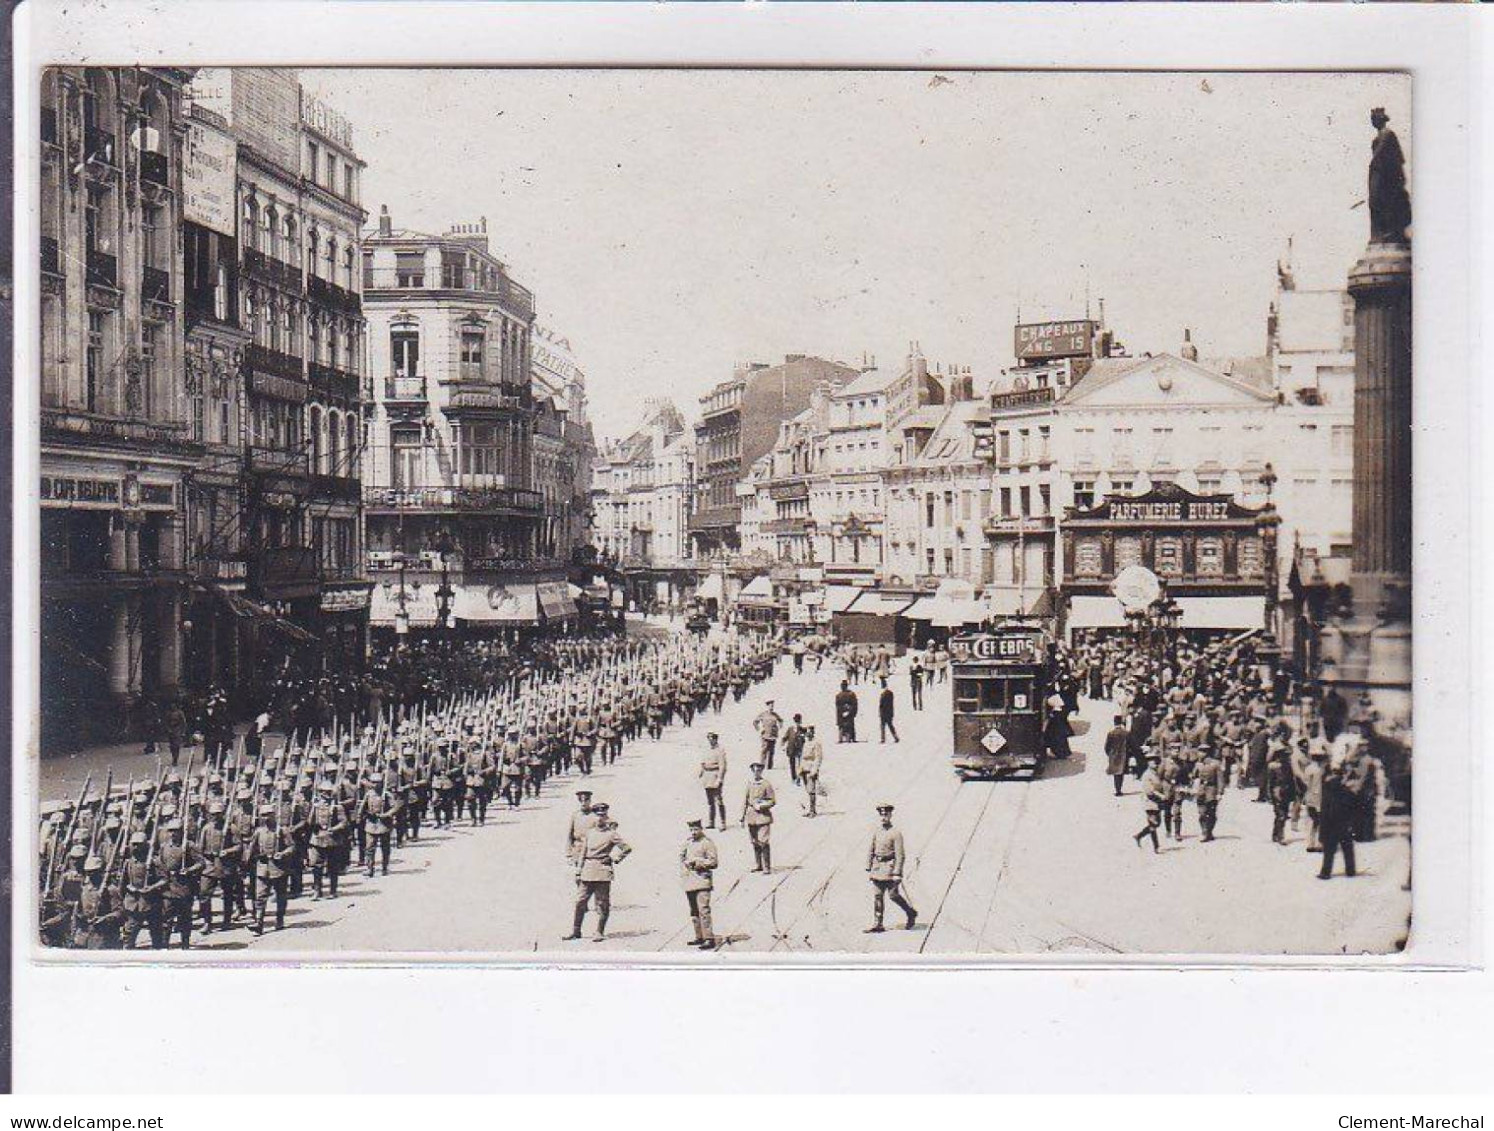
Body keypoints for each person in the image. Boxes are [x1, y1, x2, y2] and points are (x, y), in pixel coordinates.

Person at [565, 802, 631, 942]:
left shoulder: (612, 834)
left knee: (602, 903)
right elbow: (583, 852)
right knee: (580, 901)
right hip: (587, 870)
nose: (600, 819)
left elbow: (626, 848)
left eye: (603, 816)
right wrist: (579, 870)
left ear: (606, 817)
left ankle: (599, 932)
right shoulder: (589, 833)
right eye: (597, 816)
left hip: (602, 871)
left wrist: (616, 858)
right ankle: (576, 931)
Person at [865, 804, 917, 932]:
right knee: (878, 895)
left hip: (890, 868)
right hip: (877, 868)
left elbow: (900, 854)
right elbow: (871, 848)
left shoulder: (896, 833)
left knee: (893, 895)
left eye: (886, 815)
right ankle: (878, 924)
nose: (884, 817)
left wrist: (897, 872)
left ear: (890, 815)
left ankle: (910, 912)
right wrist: (868, 864)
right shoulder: (877, 831)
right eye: (882, 815)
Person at [680, 818, 719, 950]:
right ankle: (699, 936)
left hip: (702, 881)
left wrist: (697, 862)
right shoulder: (688, 842)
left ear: (701, 829)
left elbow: (714, 862)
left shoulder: (707, 843)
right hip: (689, 881)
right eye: (691, 829)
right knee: (694, 911)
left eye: (696, 829)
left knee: (703, 910)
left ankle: (709, 938)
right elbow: (682, 856)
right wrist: (685, 862)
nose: (693, 832)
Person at [1318, 761, 1358, 879]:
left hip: (1330, 825)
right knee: (1347, 848)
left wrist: (1322, 831)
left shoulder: (1327, 792)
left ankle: (1325, 872)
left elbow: (1324, 812)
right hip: (1344, 824)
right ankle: (1350, 870)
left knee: (1329, 851)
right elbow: (1354, 809)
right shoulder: (1347, 792)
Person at [740, 762, 776, 874]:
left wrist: (762, 806)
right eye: (754, 771)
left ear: (761, 771)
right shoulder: (749, 784)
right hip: (751, 817)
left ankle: (767, 866)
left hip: (763, 816)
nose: (756, 773)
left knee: (763, 841)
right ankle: (758, 864)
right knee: (754, 841)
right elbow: (745, 801)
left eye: (758, 771)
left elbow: (772, 800)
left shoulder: (766, 784)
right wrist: (742, 816)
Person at [1134, 756, 1165, 853]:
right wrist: (1161, 796)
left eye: (1156, 762)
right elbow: (1149, 791)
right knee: (1153, 824)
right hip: (1149, 802)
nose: (1155, 764)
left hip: (1156, 802)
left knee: (1157, 823)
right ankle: (1156, 847)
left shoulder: (1155, 774)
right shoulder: (1146, 775)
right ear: (1148, 763)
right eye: (1152, 762)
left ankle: (1138, 836)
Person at [1193, 746, 1224, 842]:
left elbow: (1220, 779)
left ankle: (1209, 832)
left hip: (1211, 790)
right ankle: (1205, 831)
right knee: (1202, 812)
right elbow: (1194, 776)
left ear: (1207, 753)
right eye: (1199, 751)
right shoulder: (1198, 764)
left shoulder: (1215, 764)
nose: (1200, 754)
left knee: (1211, 813)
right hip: (1201, 790)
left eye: (1202, 752)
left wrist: (1219, 793)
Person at [698, 733, 728, 830]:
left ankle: (723, 823)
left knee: (718, 800)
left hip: (715, 776)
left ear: (716, 740)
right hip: (707, 777)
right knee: (710, 801)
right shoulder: (706, 750)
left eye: (712, 739)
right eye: (709, 739)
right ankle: (711, 822)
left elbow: (723, 766)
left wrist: (720, 779)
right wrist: (701, 772)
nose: (710, 741)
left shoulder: (720, 751)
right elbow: (703, 763)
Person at [799, 725, 824, 818]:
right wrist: (800, 769)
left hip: (811, 768)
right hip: (804, 768)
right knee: (807, 790)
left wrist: (815, 770)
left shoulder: (816, 743)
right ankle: (808, 810)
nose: (807, 734)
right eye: (806, 732)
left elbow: (818, 757)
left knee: (812, 790)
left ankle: (813, 810)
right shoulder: (806, 743)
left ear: (813, 733)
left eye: (809, 732)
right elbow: (802, 757)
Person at [1104, 714, 1130, 797]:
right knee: (1120, 772)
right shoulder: (1126, 733)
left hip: (1114, 755)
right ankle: (1119, 789)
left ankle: (1117, 790)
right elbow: (1130, 745)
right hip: (1123, 754)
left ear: (1114, 722)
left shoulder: (1111, 733)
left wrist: (1109, 754)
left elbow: (1107, 746)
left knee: (1116, 773)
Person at [754, 701, 782, 770]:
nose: (771, 707)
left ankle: (769, 767)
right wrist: (759, 729)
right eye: (770, 706)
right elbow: (755, 722)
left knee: (771, 752)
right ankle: (762, 765)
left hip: (773, 736)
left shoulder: (775, 715)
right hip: (765, 736)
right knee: (764, 751)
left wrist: (778, 728)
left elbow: (781, 721)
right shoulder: (763, 714)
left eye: (772, 706)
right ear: (767, 706)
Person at [781, 714, 805, 785]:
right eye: (796, 722)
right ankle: (793, 778)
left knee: (799, 765)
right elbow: (785, 738)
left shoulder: (802, 730)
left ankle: (798, 778)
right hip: (791, 750)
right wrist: (782, 745)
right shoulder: (790, 729)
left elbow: (805, 740)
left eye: (798, 722)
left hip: (799, 750)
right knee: (792, 765)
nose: (797, 723)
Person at [878, 679, 900, 744]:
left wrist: (880, 712)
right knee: (890, 725)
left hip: (884, 712)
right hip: (889, 712)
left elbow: (881, 704)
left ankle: (883, 739)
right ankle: (895, 737)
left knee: (883, 726)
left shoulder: (884, 694)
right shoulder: (890, 693)